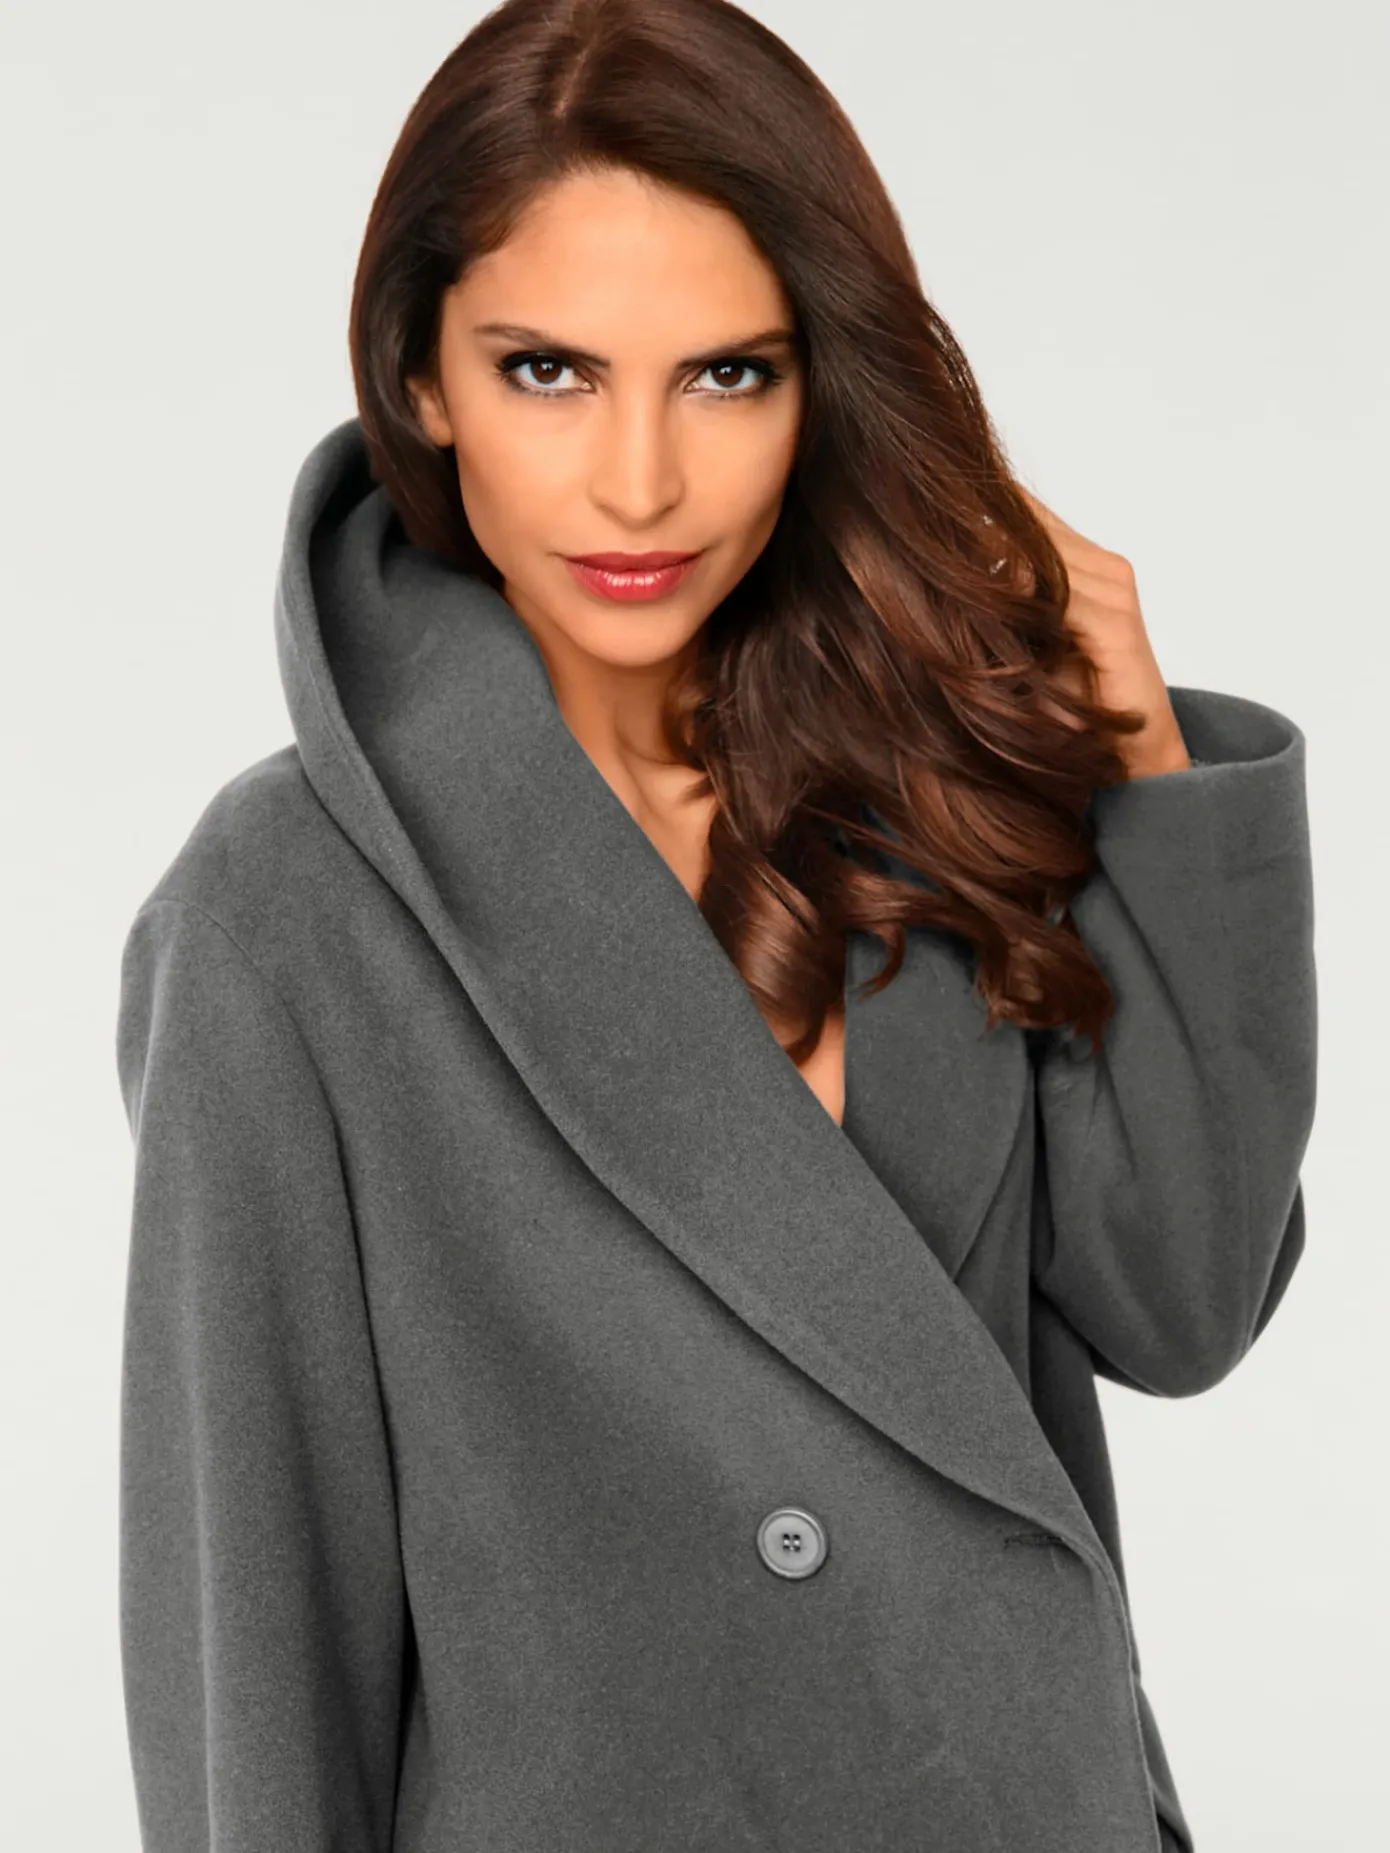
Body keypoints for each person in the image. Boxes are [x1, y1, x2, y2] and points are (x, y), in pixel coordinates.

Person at [114, 2, 1316, 1849]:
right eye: (548, 371)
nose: (640, 483)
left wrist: (1144, 769)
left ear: (819, 385)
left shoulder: (920, 800)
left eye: (726, 375)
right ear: (418, 379)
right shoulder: (284, 918)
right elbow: (257, 1672)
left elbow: (1182, 1305)